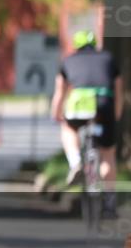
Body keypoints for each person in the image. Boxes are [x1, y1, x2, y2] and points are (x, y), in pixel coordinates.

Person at [50, 30, 123, 216]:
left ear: (76, 45)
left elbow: (60, 92)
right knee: (107, 155)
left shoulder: (68, 61)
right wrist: (115, 115)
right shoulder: (108, 59)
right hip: (104, 104)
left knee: (68, 128)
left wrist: (56, 114)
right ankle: (109, 204)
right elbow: (118, 90)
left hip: (79, 105)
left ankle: (76, 163)